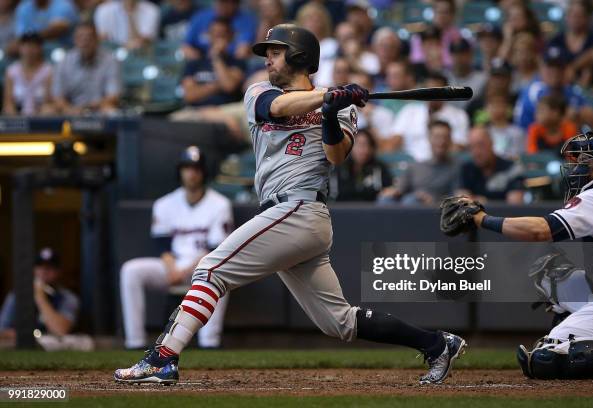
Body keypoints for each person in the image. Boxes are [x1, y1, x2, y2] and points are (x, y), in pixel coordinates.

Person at [114, 23, 467, 385]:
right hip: (283, 215)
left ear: (299, 56)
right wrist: (327, 96)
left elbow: (337, 155)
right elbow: (277, 108)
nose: (268, 58)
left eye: (276, 51)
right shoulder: (259, 93)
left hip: (301, 210)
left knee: (210, 271)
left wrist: (331, 112)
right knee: (339, 323)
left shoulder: (340, 108)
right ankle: (437, 344)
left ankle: (162, 358)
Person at [443, 131, 593, 379]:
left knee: (546, 358)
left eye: (586, 163)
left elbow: (540, 230)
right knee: (553, 277)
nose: (578, 169)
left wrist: (480, 218)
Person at [120, 146, 232, 350]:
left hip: (202, 266)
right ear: (180, 171)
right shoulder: (165, 204)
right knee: (131, 271)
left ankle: (210, 343)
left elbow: (216, 250)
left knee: (220, 273)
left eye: (196, 168)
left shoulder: (220, 204)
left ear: (203, 172)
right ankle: (134, 342)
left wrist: (183, 271)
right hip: (172, 265)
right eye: (187, 168)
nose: (192, 173)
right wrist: (172, 269)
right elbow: (162, 244)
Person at [170, 17, 245, 120]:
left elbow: (229, 86)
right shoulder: (194, 63)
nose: (218, 38)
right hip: (196, 110)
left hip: (225, 110)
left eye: (222, 34)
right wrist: (216, 86)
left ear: (230, 37)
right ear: (208, 36)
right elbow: (189, 95)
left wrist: (216, 58)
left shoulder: (237, 62)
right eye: (214, 34)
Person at [0, 248, 79, 344]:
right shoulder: (17, 296)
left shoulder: (68, 298)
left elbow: (60, 330)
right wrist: (33, 335)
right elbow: (2, 331)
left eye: (49, 268)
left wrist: (40, 297)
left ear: (59, 271)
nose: (44, 272)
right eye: (40, 267)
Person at [384, 72, 469, 159]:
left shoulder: (459, 115)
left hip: (443, 164)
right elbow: (393, 142)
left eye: (437, 91)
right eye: (428, 90)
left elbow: (458, 147)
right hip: (411, 164)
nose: (432, 95)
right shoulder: (409, 111)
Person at [379, 120, 458, 206]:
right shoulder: (415, 167)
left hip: (437, 210)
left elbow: (458, 197)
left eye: (445, 137)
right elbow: (399, 189)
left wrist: (434, 200)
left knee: (411, 201)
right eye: (437, 137)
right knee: (385, 200)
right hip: (411, 206)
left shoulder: (456, 168)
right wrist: (392, 191)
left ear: (450, 140)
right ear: (429, 138)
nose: (441, 142)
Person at [51, 22, 121, 115]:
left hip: (100, 108)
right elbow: (57, 96)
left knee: (111, 111)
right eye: (80, 38)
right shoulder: (64, 61)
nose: (85, 42)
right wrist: (69, 109)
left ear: (97, 39)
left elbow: (113, 96)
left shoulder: (110, 60)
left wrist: (88, 108)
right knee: (48, 110)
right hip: (71, 109)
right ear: (74, 40)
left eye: (89, 38)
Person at [514, 46, 586, 131]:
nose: (555, 72)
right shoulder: (534, 90)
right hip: (527, 138)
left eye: (559, 67)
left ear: (565, 70)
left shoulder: (571, 91)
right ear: (541, 68)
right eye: (550, 67)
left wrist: (578, 114)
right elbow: (545, 118)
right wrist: (573, 114)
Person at [456, 126, 524, 204]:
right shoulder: (467, 169)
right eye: (471, 147)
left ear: (491, 143)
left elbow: (515, 205)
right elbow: (462, 203)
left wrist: (482, 201)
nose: (476, 152)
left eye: (480, 145)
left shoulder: (512, 169)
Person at [329, 128, 392, 201]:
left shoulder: (379, 168)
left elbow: (389, 190)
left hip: (372, 211)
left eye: (367, 145)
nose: (363, 150)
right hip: (342, 210)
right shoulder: (338, 168)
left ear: (372, 148)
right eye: (359, 145)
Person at [183, 0, 257, 60]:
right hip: (202, 61)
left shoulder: (246, 21)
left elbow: (242, 52)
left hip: (230, 63)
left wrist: (219, 52)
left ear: (235, 4)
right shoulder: (201, 17)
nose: (220, 5)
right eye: (219, 1)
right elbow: (186, 47)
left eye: (225, 2)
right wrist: (202, 62)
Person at [2, 32, 53, 116]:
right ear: (20, 48)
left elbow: (48, 101)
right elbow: (8, 102)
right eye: (26, 45)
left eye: (34, 46)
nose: (30, 49)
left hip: (40, 115)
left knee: (48, 110)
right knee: (8, 110)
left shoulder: (48, 70)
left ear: (40, 48)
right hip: (17, 115)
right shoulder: (11, 71)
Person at [94, 0, 160, 49]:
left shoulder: (151, 10)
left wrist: (130, 13)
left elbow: (144, 43)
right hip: (111, 57)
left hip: (140, 57)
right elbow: (103, 41)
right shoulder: (103, 10)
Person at [446, 37, 486, 110]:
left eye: (463, 53)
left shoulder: (482, 79)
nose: (459, 57)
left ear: (470, 54)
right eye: (455, 54)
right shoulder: (444, 77)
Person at [14, 0, 78, 45]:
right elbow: (21, 36)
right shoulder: (24, 7)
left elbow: (56, 30)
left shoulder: (63, 4)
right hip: (34, 48)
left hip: (63, 47)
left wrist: (31, 37)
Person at [485, 93, 525, 161]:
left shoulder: (517, 132)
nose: (495, 109)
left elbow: (520, 157)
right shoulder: (484, 133)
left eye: (498, 105)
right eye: (492, 106)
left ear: (506, 108)